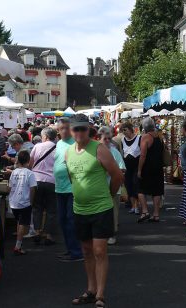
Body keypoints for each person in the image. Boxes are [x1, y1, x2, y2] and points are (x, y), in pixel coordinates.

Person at [64, 115, 123, 308]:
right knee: (87, 251)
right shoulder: (68, 152)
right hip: (80, 209)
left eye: (83, 129)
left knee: (99, 251)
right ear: (71, 131)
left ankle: (100, 294)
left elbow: (117, 175)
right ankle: (90, 290)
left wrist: (110, 194)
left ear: (89, 129)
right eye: (76, 129)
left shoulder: (99, 148)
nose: (80, 133)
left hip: (101, 208)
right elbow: (72, 178)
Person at [54, 118, 85, 262]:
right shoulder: (59, 143)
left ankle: (76, 252)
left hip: (72, 188)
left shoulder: (76, 143)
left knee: (71, 221)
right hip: (59, 188)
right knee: (62, 221)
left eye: (67, 128)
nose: (65, 131)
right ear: (58, 130)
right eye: (62, 128)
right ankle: (70, 248)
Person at [29, 127, 59, 246]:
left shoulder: (37, 146)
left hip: (36, 180)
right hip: (52, 181)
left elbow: (31, 163)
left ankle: (37, 232)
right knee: (51, 209)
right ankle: (48, 235)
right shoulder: (58, 148)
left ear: (45, 136)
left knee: (37, 207)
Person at [97, 126, 126, 245]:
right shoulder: (94, 152)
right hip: (98, 187)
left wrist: (111, 171)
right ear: (99, 138)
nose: (108, 141)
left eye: (109, 138)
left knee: (113, 212)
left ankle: (112, 234)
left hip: (113, 187)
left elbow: (122, 168)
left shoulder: (114, 152)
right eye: (105, 139)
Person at [137, 118, 166, 223]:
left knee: (140, 189)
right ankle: (156, 214)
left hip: (147, 167)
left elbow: (143, 155)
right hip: (158, 167)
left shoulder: (145, 137)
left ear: (144, 127)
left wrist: (139, 170)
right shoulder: (159, 136)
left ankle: (145, 211)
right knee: (157, 191)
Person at [9, 149, 37, 255]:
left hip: (13, 203)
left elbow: (9, 187)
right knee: (22, 224)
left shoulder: (14, 172)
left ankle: (18, 243)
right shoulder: (30, 173)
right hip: (24, 202)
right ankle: (18, 246)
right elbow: (33, 188)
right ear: (28, 160)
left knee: (19, 222)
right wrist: (31, 201)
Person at [118, 122, 142, 215]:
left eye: (125, 130)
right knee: (129, 185)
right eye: (122, 130)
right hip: (127, 167)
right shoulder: (123, 140)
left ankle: (137, 206)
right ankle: (133, 206)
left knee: (136, 185)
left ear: (130, 129)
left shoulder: (139, 138)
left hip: (136, 166)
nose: (124, 132)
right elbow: (122, 152)